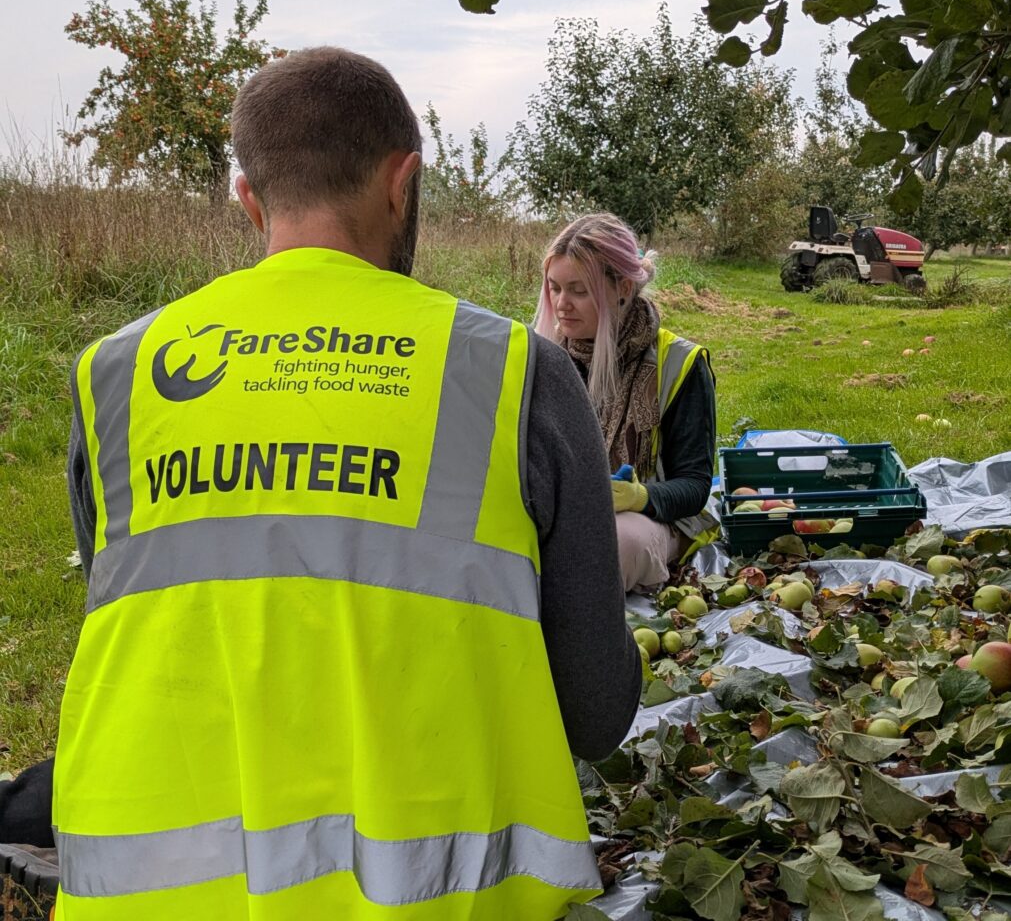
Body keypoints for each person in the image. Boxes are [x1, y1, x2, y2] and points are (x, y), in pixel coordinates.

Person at [46, 48, 641, 920]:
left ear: (249, 199)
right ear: (402, 183)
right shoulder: (515, 375)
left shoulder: (114, 376)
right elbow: (596, 713)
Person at [534, 213, 717, 593]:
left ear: (623, 287)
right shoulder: (544, 355)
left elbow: (695, 485)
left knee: (612, 545)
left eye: (579, 290)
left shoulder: (680, 364)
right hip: (561, 511)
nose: (561, 304)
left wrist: (640, 496)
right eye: (554, 288)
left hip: (650, 519)